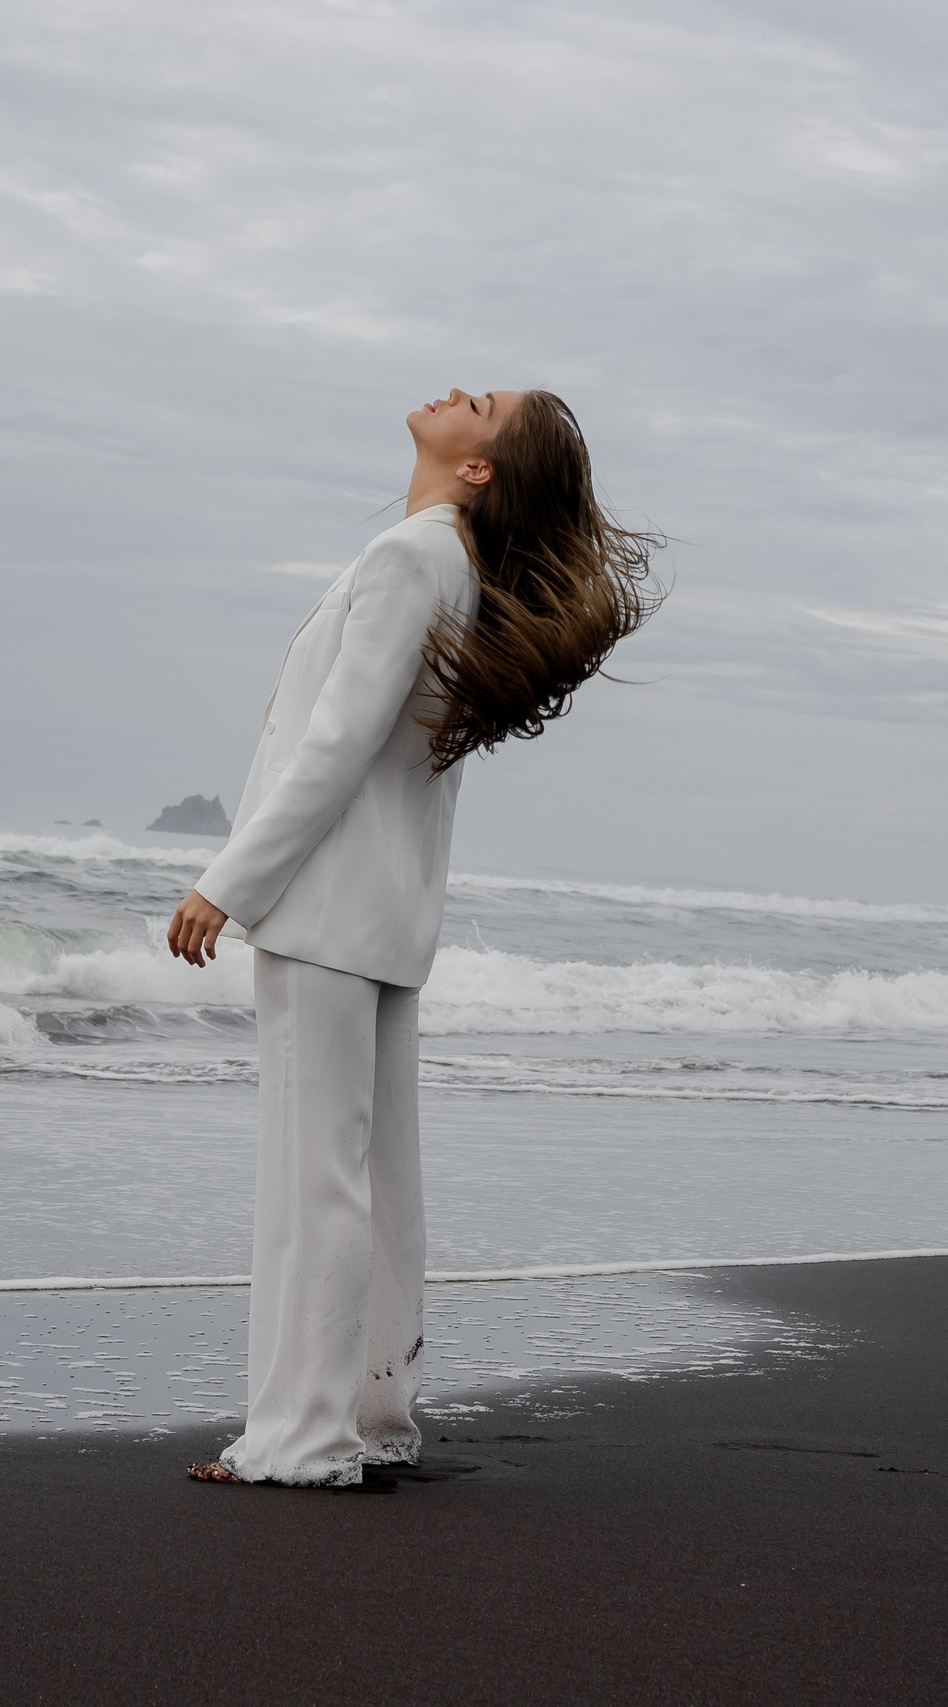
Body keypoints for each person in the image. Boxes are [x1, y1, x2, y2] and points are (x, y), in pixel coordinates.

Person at [167, 388, 660, 1487]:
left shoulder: (411, 558)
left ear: (480, 467)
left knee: (317, 1184)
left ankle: (301, 1441)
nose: (452, 394)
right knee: (378, 1183)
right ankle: (371, 1419)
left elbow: (332, 747)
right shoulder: (454, 568)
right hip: (383, 913)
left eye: (479, 404)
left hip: (328, 908)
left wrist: (228, 881)